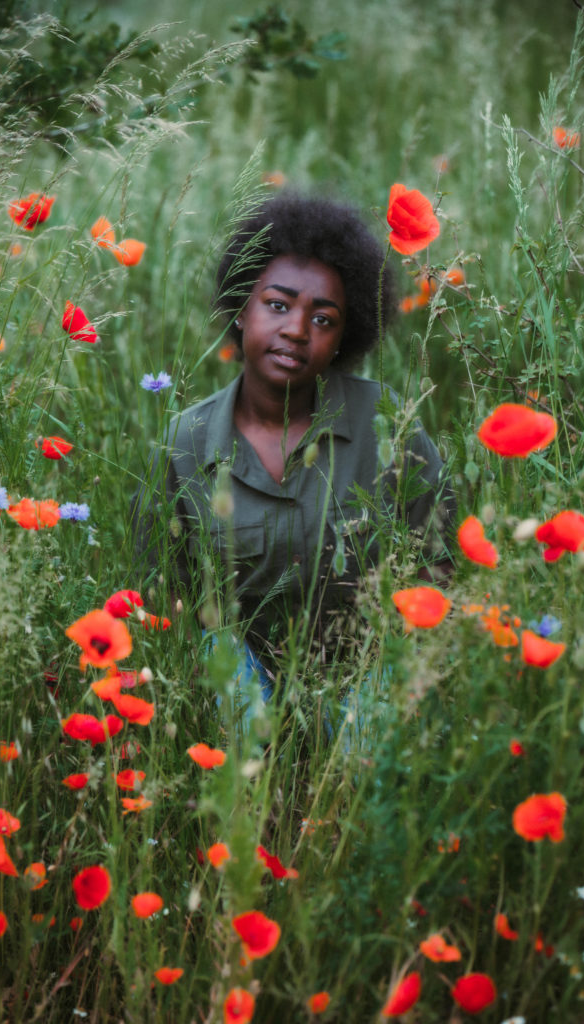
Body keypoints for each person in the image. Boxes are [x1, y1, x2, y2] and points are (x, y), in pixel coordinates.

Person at [131, 191, 454, 709]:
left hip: (365, 675)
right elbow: (162, 596)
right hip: (238, 685)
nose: (298, 330)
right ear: (241, 309)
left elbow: (440, 568)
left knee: (361, 760)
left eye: (323, 319)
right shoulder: (185, 445)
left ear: (346, 336)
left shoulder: (388, 426)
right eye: (278, 305)